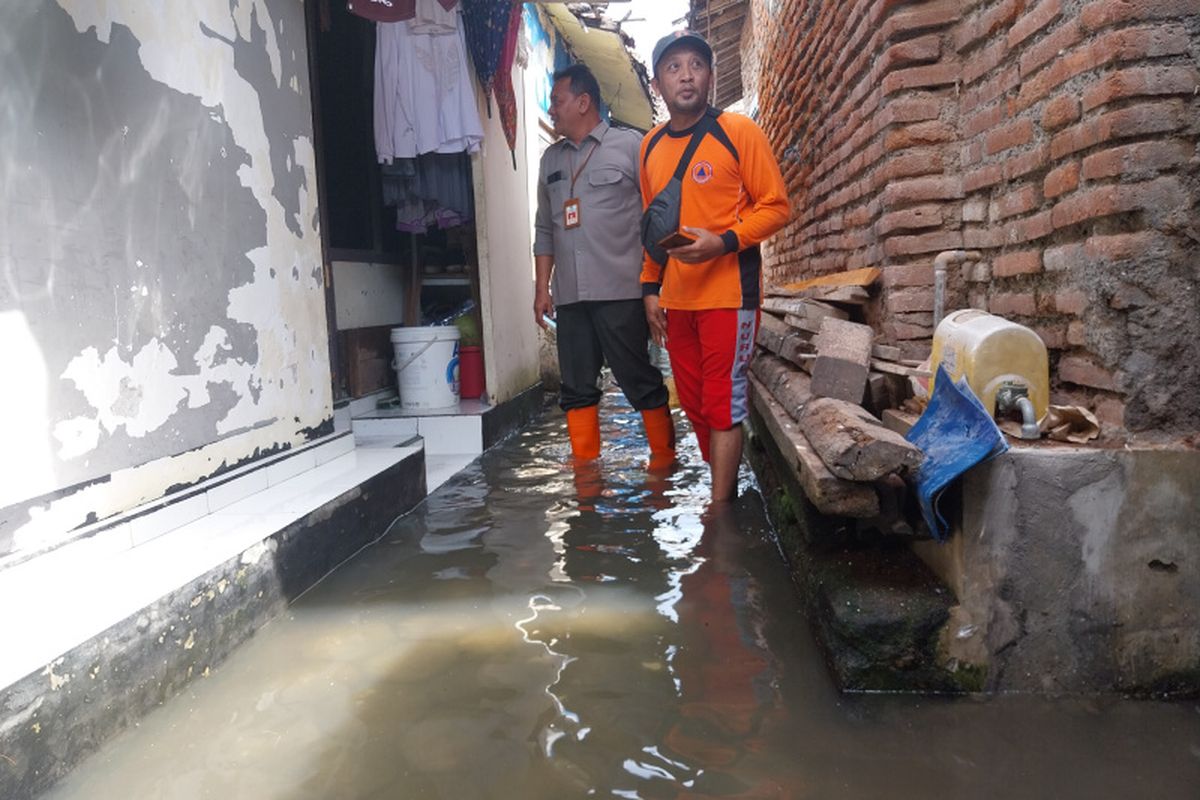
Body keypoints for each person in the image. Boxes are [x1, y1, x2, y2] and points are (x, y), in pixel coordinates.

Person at [640, 32, 791, 503]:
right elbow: (653, 226)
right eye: (673, 67)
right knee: (695, 405)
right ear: (657, 84)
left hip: (729, 295)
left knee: (723, 404)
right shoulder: (649, 147)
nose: (686, 75)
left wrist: (723, 242)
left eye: (696, 65)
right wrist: (649, 287)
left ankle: (720, 515)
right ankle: (722, 490)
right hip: (677, 300)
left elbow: (776, 207)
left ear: (711, 75)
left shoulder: (739, 131)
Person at [533, 64, 675, 465]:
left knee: (639, 380)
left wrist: (654, 287)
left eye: (557, 101)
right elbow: (544, 229)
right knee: (576, 389)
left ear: (583, 102)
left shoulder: (630, 146)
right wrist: (542, 289)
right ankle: (586, 480)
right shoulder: (550, 160)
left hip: (622, 291)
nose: (551, 109)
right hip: (570, 298)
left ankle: (664, 466)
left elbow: (657, 219)